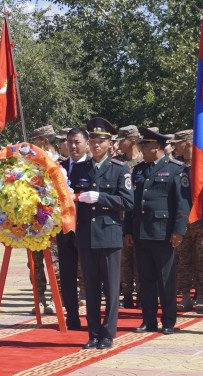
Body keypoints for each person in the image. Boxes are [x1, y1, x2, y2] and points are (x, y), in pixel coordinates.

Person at [72, 117, 134, 349]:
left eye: (102, 140)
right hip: (86, 235)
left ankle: (108, 333)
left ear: (110, 143)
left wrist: (101, 198)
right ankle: (93, 333)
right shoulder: (80, 168)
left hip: (109, 235)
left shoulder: (119, 168)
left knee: (110, 287)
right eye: (93, 140)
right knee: (90, 287)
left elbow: (128, 202)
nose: (96, 144)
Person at [124, 127, 190, 335]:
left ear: (157, 147)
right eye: (142, 144)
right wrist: (128, 230)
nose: (142, 148)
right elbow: (131, 204)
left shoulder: (175, 169)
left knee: (166, 279)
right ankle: (148, 320)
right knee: (145, 280)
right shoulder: (139, 170)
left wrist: (178, 231)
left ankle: (168, 321)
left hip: (163, 233)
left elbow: (182, 204)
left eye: (146, 145)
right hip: (141, 232)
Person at [169, 129, 203, 312]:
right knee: (183, 260)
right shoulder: (178, 167)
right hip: (182, 220)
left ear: (187, 143)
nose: (174, 146)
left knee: (202, 260)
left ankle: (201, 295)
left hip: (200, 219)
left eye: (177, 142)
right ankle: (185, 295)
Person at [56, 127, 90, 330]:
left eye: (77, 142)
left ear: (86, 143)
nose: (73, 146)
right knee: (67, 275)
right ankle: (72, 316)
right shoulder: (58, 168)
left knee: (90, 274)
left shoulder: (92, 166)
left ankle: (93, 315)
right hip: (64, 230)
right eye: (70, 142)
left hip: (86, 228)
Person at [30, 125, 61, 314]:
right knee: (34, 262)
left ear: (45, 142)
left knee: (56, 263)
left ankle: (56, 299)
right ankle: (39, 299)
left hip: (53, 221)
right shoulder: (31, 164)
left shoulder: (61, 163)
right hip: (33, 221)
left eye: (36, 142)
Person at [116, 125, 143, 308]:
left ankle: (142, 294)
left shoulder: (143, 162)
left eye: (122, 139)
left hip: (139, 218)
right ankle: (126, 294)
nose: (118, 143)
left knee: (140, 259)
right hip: (120, 218)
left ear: (132, 141)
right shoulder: (116, 163)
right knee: (124, 260)